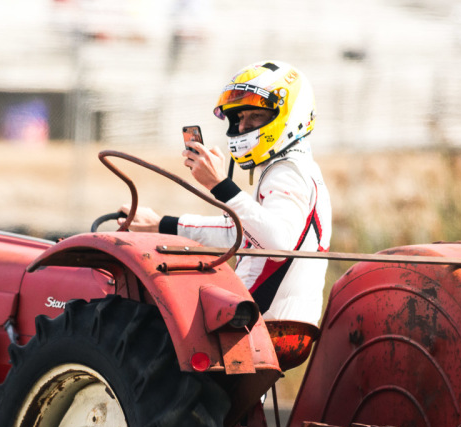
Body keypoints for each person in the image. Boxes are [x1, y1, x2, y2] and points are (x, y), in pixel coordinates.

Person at [126, 60, 332, 356]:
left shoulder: (288, 171)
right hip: (269, 320)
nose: (243, 127)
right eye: (240, 117)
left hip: (260, 323)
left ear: (289, 115)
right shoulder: (290, 168)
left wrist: (220, 184)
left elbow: (278, 243)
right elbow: (240, 233)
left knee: (142, 325)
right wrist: (161, 225)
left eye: (256, 116)